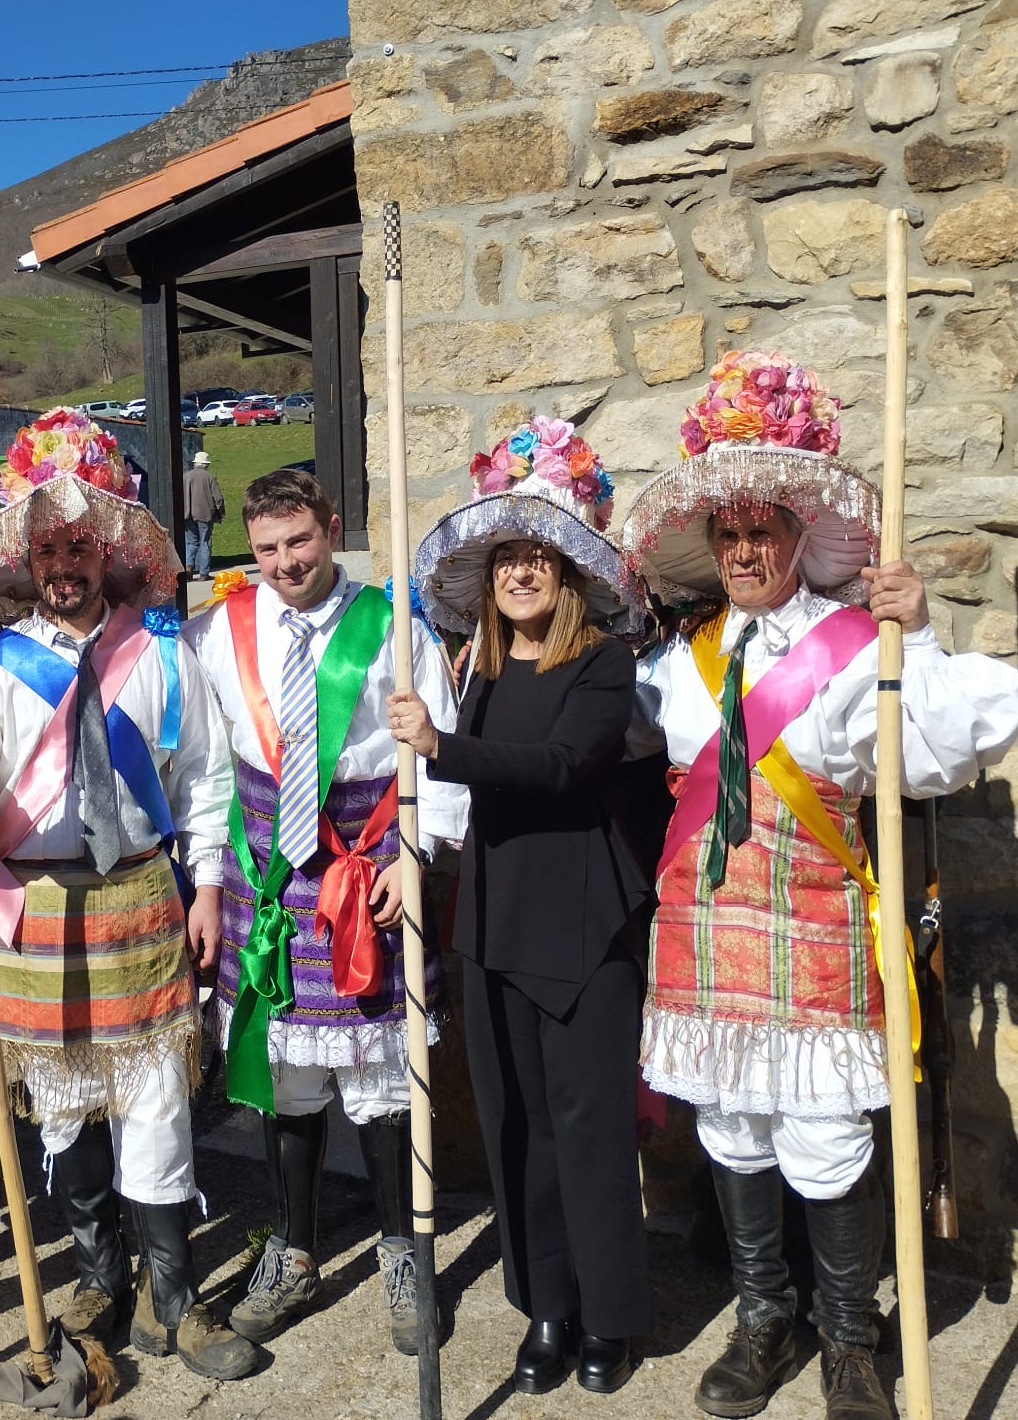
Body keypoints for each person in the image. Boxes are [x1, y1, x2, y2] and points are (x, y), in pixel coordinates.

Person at [619, 353, 1018, 1420]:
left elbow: (933, 752)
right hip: (703, 928)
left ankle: (849, 1339)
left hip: (816, 920)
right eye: (731, 533)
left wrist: (918, 630)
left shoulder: (855, 648)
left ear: (800, 541)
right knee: (735, 1128)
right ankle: (766, 1319)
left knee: (827, 1134)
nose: (745, 549)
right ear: (714, 548)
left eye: (765, 531)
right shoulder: (681, 662)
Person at [0, 407, 255, 1382]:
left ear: (110, 550)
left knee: (155, 1104)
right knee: (64, 1109)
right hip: (40, 911)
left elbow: (207, 783)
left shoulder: (165, 655)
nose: (65, 562)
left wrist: (210, 886)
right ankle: (98, 1276)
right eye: (47, 545)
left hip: (142, 895)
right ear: (26, 556)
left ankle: (173, 1296)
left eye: (81, 544)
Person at [183, 468, 466, 1355]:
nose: (284, 563)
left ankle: (402, 1255)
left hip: (371, 863)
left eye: (298, 542)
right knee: (287, 1074)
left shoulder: (395, 623)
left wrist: (419, 860)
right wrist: (206, 878)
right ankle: (294, 1250)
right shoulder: (217, 635)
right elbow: (206, 768)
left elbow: (440, 754)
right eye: (265, 549)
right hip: (265, 871)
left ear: (331, 530)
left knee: (383, 1077)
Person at [394, 420, 651, 1394]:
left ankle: (611, 1317)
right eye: (509, 557)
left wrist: (440, 749)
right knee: (518, 1128)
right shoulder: (477, 672)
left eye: (541, 555)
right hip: (494, 925)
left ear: (570, 572)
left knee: (588, 1130)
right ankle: (548, 1306)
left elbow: (559, 767)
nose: (523, 572)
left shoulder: (603, 665)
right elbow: (466, 797)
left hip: (584, 930)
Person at [182, 452, 225, 578]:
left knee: (190, 542)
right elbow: (218, 498)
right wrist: (221, 512)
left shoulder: (186, 476)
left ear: (195, 464)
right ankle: (204, 573)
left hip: (188, 514)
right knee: (205, 542)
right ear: (205, 465)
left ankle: (189, 566)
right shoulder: (209, 477)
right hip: (205, 514)